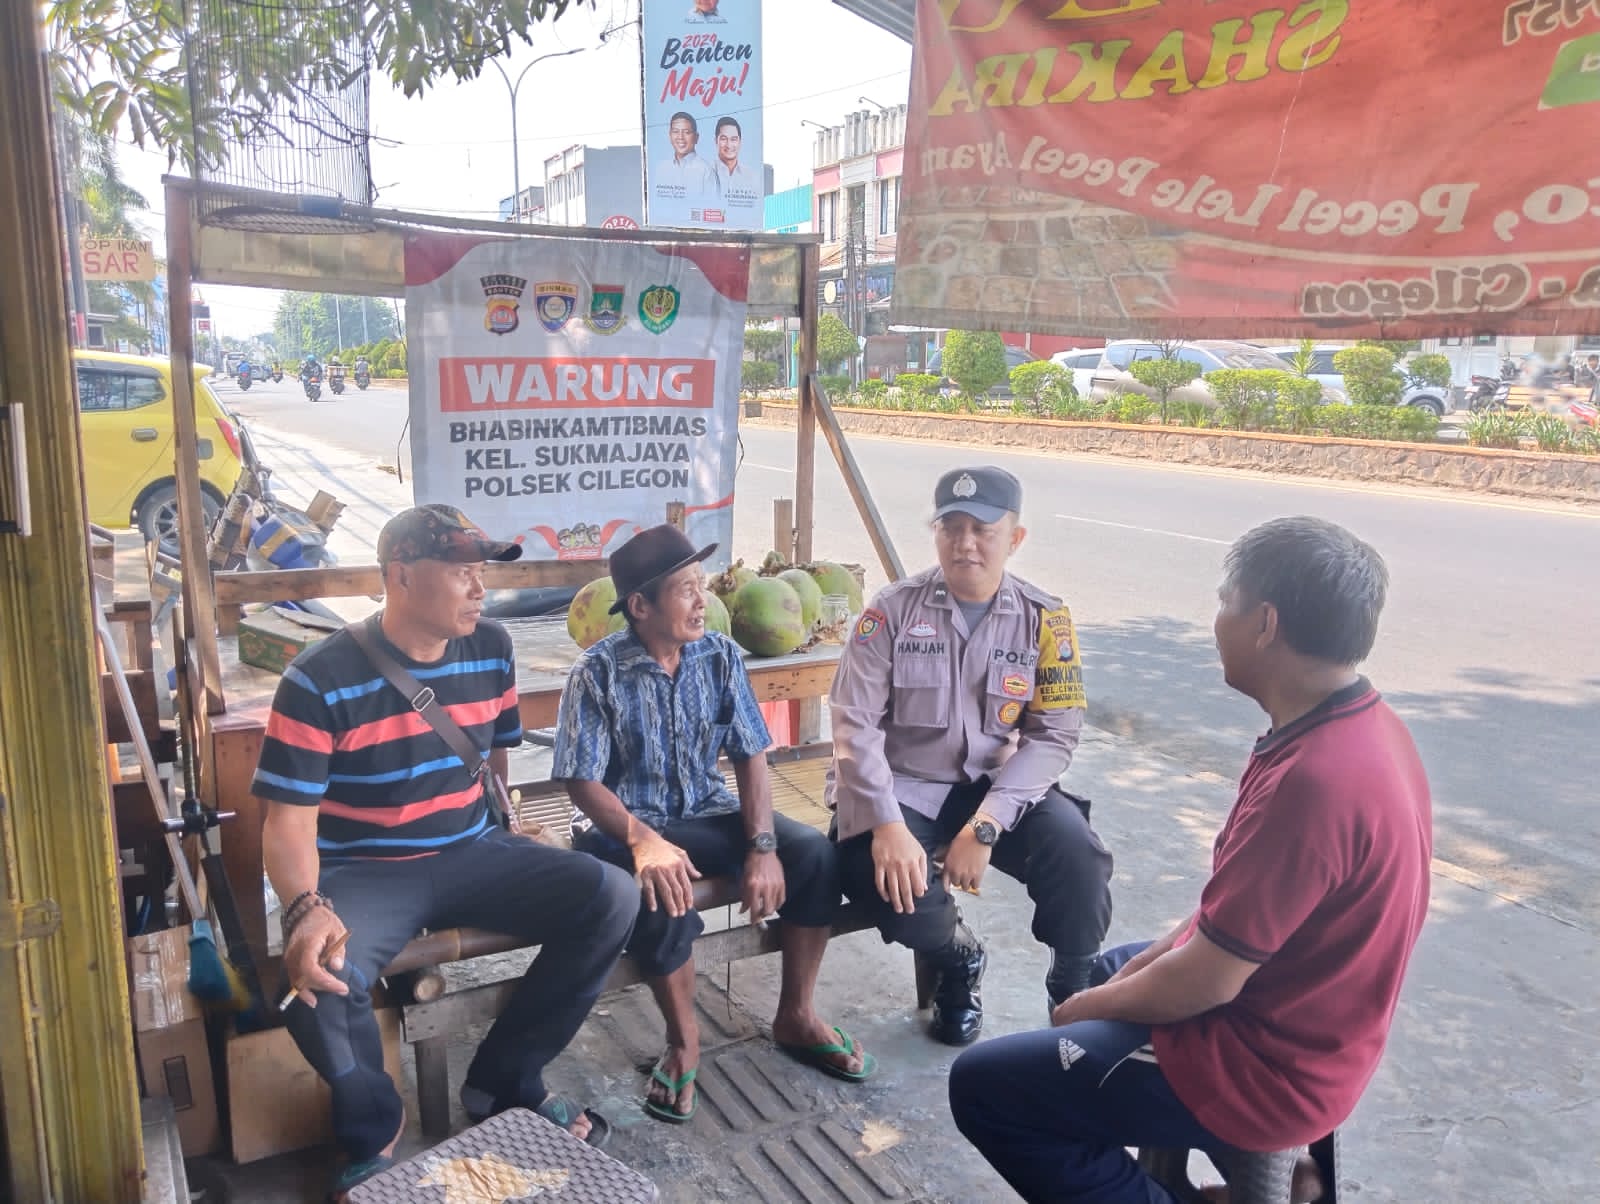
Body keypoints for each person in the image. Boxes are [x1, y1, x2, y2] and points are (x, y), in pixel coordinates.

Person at [949, 516, 1433, 1204]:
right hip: (1308, 1018)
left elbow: (1208, 981)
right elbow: (1224, 916)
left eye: (1225, 602)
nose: (1217, 621)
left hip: (1267, 1068)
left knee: (986, 1085)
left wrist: (1081, 1010)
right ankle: (1178, 1170)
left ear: (1264, 624)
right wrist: (1124, 981)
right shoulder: (1360, 726)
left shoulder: (1314, 782)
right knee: (1116, 970)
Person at [256, 504, 637, 1199]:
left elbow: (494, 754)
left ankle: (505, 1081)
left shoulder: (492, 646)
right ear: (401, 575)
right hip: (367, 868)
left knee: (611, 896)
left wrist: (508, 822)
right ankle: (374, 1128)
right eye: (461, 572)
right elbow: (287, 824)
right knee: (317, 976)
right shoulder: (317, 678)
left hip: (472, 847)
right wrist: (306, 907)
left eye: (481, 571)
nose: (480, 588)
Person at [553, 524, 874, 1123]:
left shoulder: (718, 654)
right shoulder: (597, 672)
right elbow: (581, 782)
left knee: (812, 855)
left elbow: (751, 753)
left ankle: (796, 1015)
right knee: (661, 888)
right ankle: (684, 1041)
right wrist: (644, 842)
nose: (703, 601)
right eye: (686, 590)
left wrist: (762, 846)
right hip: (623, 826)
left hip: (704, 810)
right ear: (640, 607)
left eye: (702, 586)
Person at [828, 466, 1114, 1046]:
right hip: (901, 786)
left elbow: (1054, 736)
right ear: (935, 533)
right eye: (951, 527)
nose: (965, 543)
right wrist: (886, 825)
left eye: (983, 529)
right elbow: (854, 726)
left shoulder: (1045, 620)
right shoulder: (891, 612)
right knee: (880, 879)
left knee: (1078, 855)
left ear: (1015, 538)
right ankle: (959, 959)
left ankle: (1073, 987)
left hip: (994, 787)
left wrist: (985, 826)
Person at [654, 112, 719, 206]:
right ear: (670, 136)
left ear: (696, 137)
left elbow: (713, 206)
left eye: (687, 132)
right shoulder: (662, 169)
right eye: (675, 131)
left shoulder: (706, 171)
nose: (680, 137)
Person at [712, 116, 761, 198]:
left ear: (740, 142)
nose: (729, 145)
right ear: (716, 141)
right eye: (724, 139)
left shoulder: (752, 177)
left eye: (733, 139)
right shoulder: (706, 173)